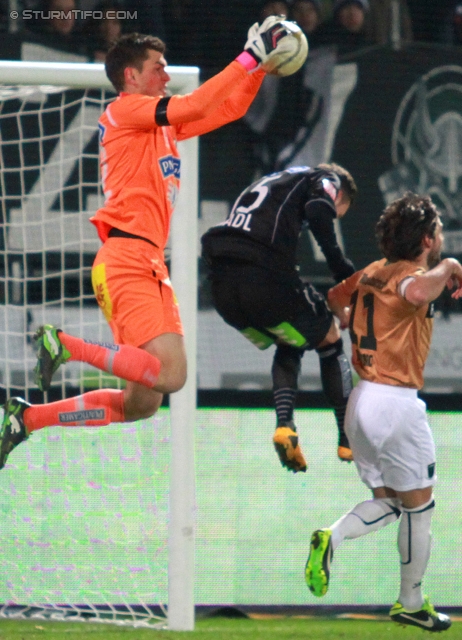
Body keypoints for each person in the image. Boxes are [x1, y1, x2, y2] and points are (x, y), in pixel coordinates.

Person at [0, 20, 295, 468]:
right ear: (131, 76)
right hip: (130, 259)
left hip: (138, 261)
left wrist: (257, 69)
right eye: (157, 68)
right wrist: (250, 54)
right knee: (172, 375)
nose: (165, 75)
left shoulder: (161, 129)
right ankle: (64, 347)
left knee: (142, 403)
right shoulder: (125, 110)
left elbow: (227, 109)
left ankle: (28, 417)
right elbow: (197, 100)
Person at [304, 192, 462, 631]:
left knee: (391, 503)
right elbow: (417, 290)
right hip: (394, 404)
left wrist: (357, 320)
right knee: (420, 507)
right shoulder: (413, 276)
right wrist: (449, 267)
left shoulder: (371, 273)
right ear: (428, 239)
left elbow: (337, 299)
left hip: (361, 401)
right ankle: (410, 601)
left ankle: (330, 536)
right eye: (440, 237)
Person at [201, 163, 358, 473]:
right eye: (341, 211)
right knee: (328, 335)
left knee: (293, 334)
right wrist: (342, 269)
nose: (336, 215)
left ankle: (285, 424)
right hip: (261, 276)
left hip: (223, 291)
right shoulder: (325, 178)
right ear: (341, 195)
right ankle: (347, 436)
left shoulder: (276, 181)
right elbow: (318, 210)